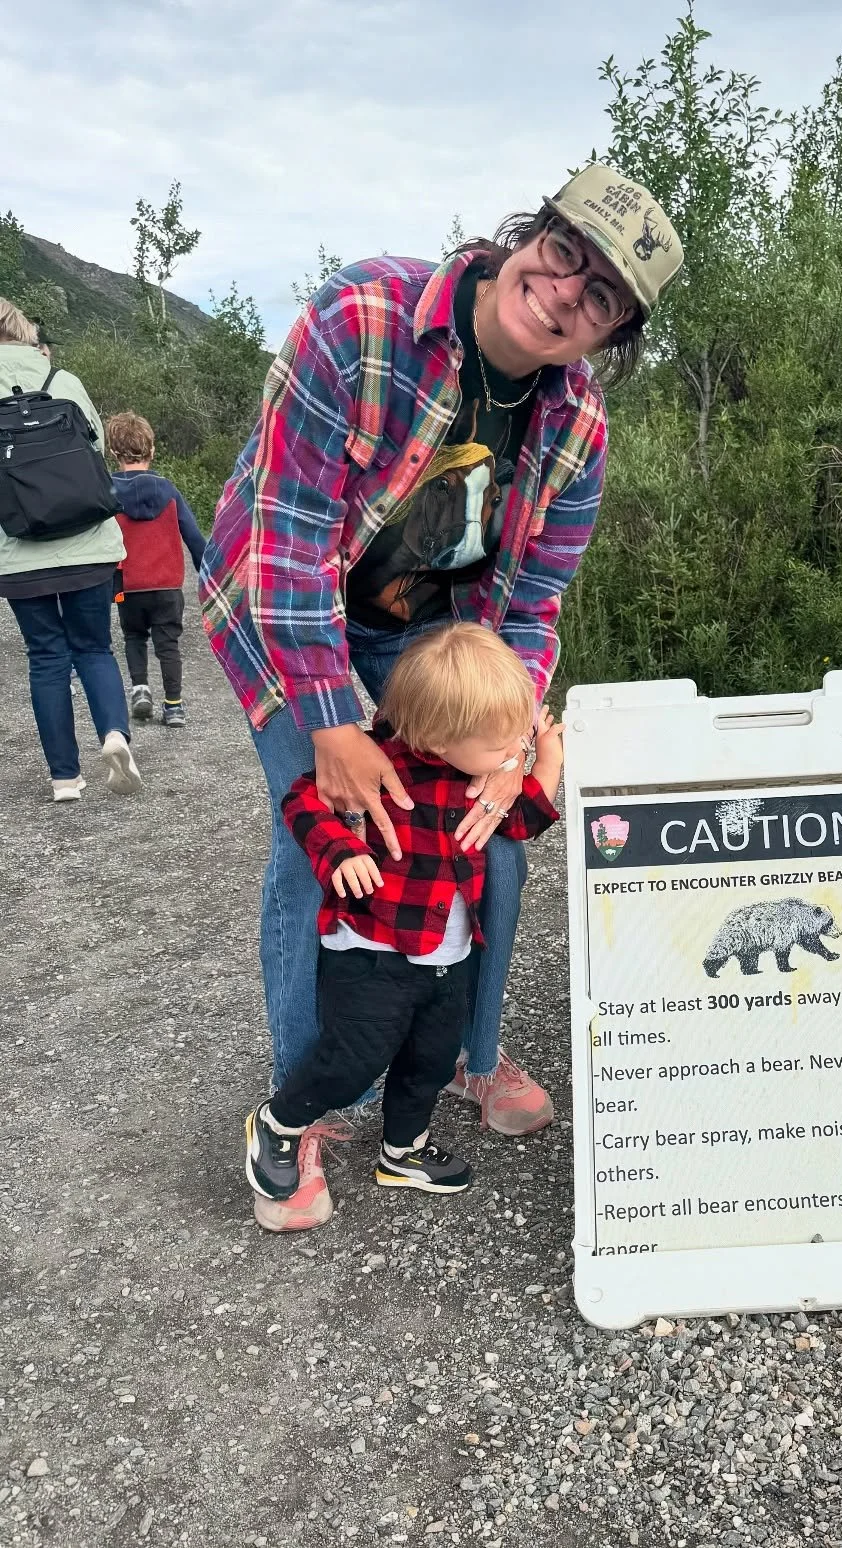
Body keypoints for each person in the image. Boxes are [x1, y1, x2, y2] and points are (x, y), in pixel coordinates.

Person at [201, 163, 682, 1230]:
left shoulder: (578, 428)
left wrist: (513, 739)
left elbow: (532, 598)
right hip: (289, 606)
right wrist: (332, 722)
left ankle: (465, 1049)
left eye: (600, 297)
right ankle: (308, 1102)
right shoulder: (362, 318)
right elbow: (283, 544)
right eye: (565, 255)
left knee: (492, 833)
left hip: (435, 633)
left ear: (609, 334)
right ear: (531, 233)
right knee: (325, 830)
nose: (565, 293)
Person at [244, 624, 564, 1228]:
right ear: (440, 735)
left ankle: (403, 1151)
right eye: (501, 742)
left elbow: (523, 819)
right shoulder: (376, 768)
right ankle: (280, 1121)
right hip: (373, 953)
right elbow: (301, 803)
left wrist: (544, 757)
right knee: (355, 1055)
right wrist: (341, 850)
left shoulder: (477, 772)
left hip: (447, 953)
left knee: (433, 1058)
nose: (509, 756)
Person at [0, 298, 142, 802]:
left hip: (18, 553)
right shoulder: (62, 381)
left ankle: (64, 778)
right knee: (95, 648)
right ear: (25, 332)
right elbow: (98, 446)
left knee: (46, 659)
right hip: (88, 544)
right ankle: (114, 735)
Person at [106, 412, 206, 727]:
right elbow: (194, 537)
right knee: (168, 644)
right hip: (167, 588)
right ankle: (174, 707)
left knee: (133, 636)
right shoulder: (169, 491)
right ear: (152, 451)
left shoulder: (106, 493)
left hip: (126, 587)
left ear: (113, 452)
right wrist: (208, 575)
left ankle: (140, 691)